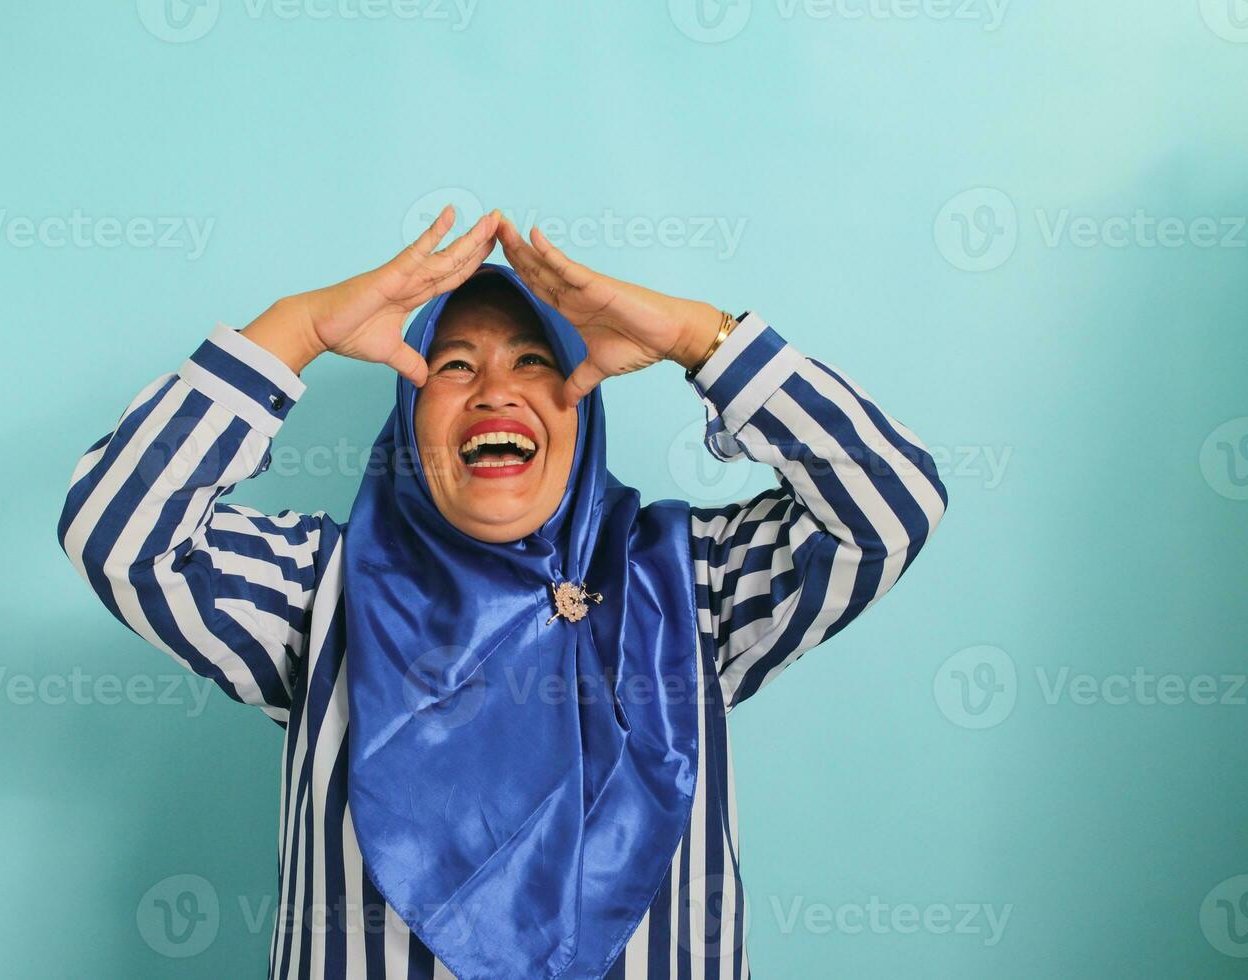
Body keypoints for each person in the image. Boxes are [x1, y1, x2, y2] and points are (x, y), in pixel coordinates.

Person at [57, 206, 948, 979]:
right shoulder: (317, 593)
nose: (495, 393)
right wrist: (295, 331)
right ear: (407, 418)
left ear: (581, 400)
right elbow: (119, 531)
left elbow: (889, 505)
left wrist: (700, 339)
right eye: (452, 367)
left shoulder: (694, 585)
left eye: (532, 362)